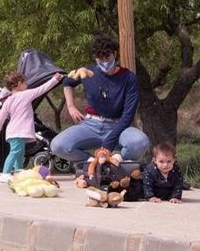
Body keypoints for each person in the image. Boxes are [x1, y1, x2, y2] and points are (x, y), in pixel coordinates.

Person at [50, 35, 150, 164]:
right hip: (90, 125)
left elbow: (128, 115)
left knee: (140, 142)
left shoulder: (129, 78)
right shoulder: (87, 71)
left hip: (118, 126)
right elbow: (67, 83)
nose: (104, 62)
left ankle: (116, 161)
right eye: (100, 58)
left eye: (107, 57)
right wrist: (70, 106)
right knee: (58, 145)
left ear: (115, 54)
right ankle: (92, 162)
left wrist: (110, 141)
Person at [0, 71, 64, 182]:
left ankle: (19, 172)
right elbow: (42, 89)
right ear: (18, 84)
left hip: (13, 131)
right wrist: (55, 80)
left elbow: (1, 116)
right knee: (15, 152)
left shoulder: (8, 100)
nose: (27, 84)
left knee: (20, 154)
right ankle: (5, 173)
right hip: (18, 131)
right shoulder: (25, 95)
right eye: (24, 82)